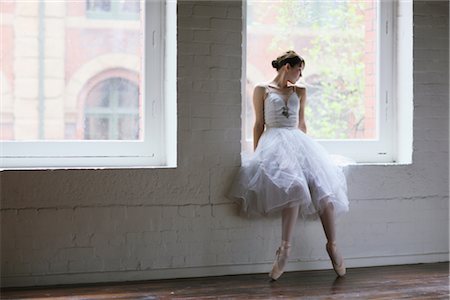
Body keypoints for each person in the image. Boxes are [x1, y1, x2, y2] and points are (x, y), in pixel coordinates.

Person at [228, 50, 349, 281]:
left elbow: (302, 124)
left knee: (322, 188)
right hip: (273, 142)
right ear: (287, 67)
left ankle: (332, 245)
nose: (301, 74)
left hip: (297, 141)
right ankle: (285, 249)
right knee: (293, 188)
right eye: (299, 69)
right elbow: (258, 125)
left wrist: (309, 154)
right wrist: (258, 155)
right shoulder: (262, 89)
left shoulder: (300, 90)